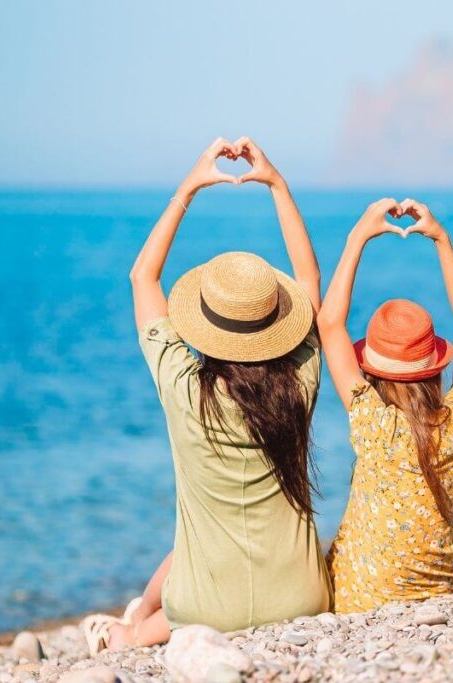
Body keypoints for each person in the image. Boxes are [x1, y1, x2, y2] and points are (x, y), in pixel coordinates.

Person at [80, 138, 332, 654]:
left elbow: (141, 277)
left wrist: (189, 187)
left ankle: (124, 633)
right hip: (303, 596)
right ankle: (131, 626)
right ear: (274, 324)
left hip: (205, 606)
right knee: (195, 565)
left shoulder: (182, 386)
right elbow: (309, 280)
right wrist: (278, 186)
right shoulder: (300, 381)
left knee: (188, 573)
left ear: (205, 325)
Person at [318, 198, 453, 612]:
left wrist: (359, 236)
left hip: (358, 597)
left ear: (371, 368)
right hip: (441, 590)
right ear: (434, 367)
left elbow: (329, 324)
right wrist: (442, 240)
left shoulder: (374, 423)